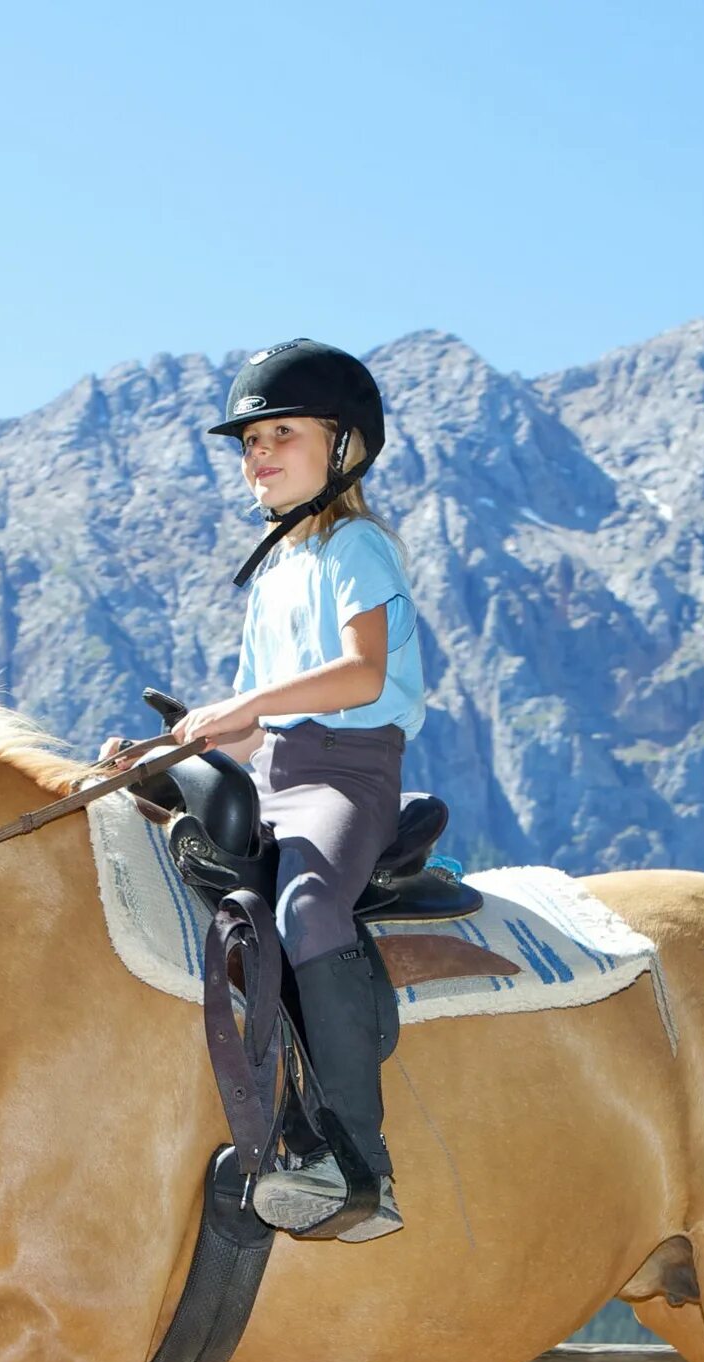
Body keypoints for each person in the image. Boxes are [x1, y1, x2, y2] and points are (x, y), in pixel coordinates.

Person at [162, 339, 425, 1242]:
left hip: (346, 774)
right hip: (274, 770)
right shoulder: (274, 572)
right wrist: (170, 745)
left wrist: (244, 707)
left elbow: (358, 675)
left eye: (281, 433)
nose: (258, 453)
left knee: (309, 907)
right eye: (247, 442)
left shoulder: (357, 547)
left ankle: (359, 1164)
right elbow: (243, 723)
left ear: (343, 446)